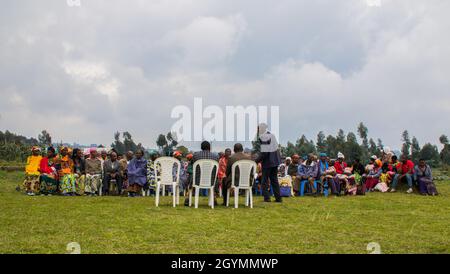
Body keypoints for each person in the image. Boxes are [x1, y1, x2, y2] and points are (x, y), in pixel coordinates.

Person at [255, 123, 282, 203]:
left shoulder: (264, 137)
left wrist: (256, 160)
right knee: (274, 180)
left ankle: (267, 199)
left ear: (261, 129)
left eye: (258, 129)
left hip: (268, 162)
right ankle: (278, 198)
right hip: (275, 161)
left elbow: (264, 152)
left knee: (264, 181)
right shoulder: (272, 135)